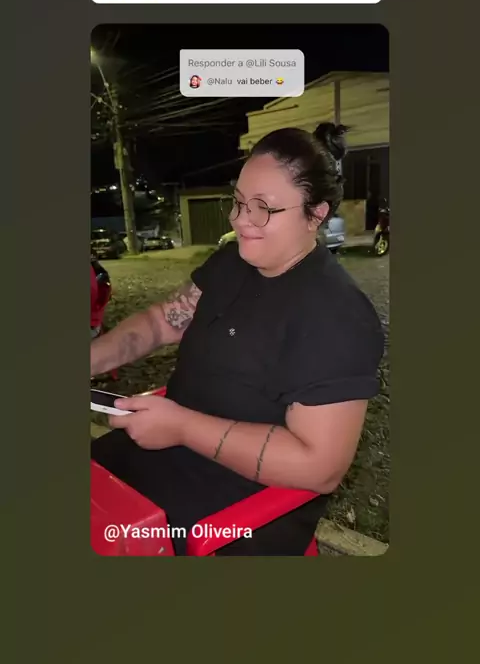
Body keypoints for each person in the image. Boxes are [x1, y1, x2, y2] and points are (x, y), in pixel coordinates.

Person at [91, 123, 384, 555]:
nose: (240, 220)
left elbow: (319, 467)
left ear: (316, 213)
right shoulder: (232, 261)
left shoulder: (337, 315)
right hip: (164, 447)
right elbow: (162, 321)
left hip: (243, 499)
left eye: (263, 208)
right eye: (239, 202)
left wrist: (181, 427)